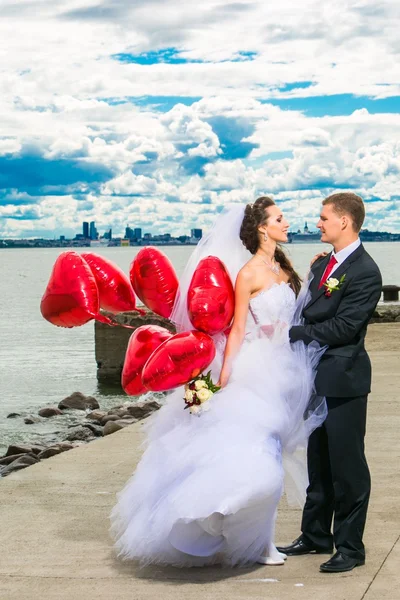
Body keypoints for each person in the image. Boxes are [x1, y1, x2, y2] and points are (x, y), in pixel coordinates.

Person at [110, 197, 326, 568]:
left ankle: (256, 537)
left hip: (291, 367)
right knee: (265, 454)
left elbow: (301, 314)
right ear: (262, 228)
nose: (286, 223)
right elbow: (238, 328)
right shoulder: (247, 274)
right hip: (257, 369)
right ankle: (257, 539)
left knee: (278, 448)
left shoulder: (285, 270)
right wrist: (223, 377)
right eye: (279, 218)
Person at [277, 192, 382, 573]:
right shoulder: (324, 265)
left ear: (344, 222)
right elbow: (313, 305)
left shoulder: (366, 271)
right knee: (318, 461)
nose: (318, 223)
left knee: (347, 466)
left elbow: (344, 327)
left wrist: (295, 333)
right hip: (315, 378)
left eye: (323, 218)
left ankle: (351, 548)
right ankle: (316, 535)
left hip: (344, 379)